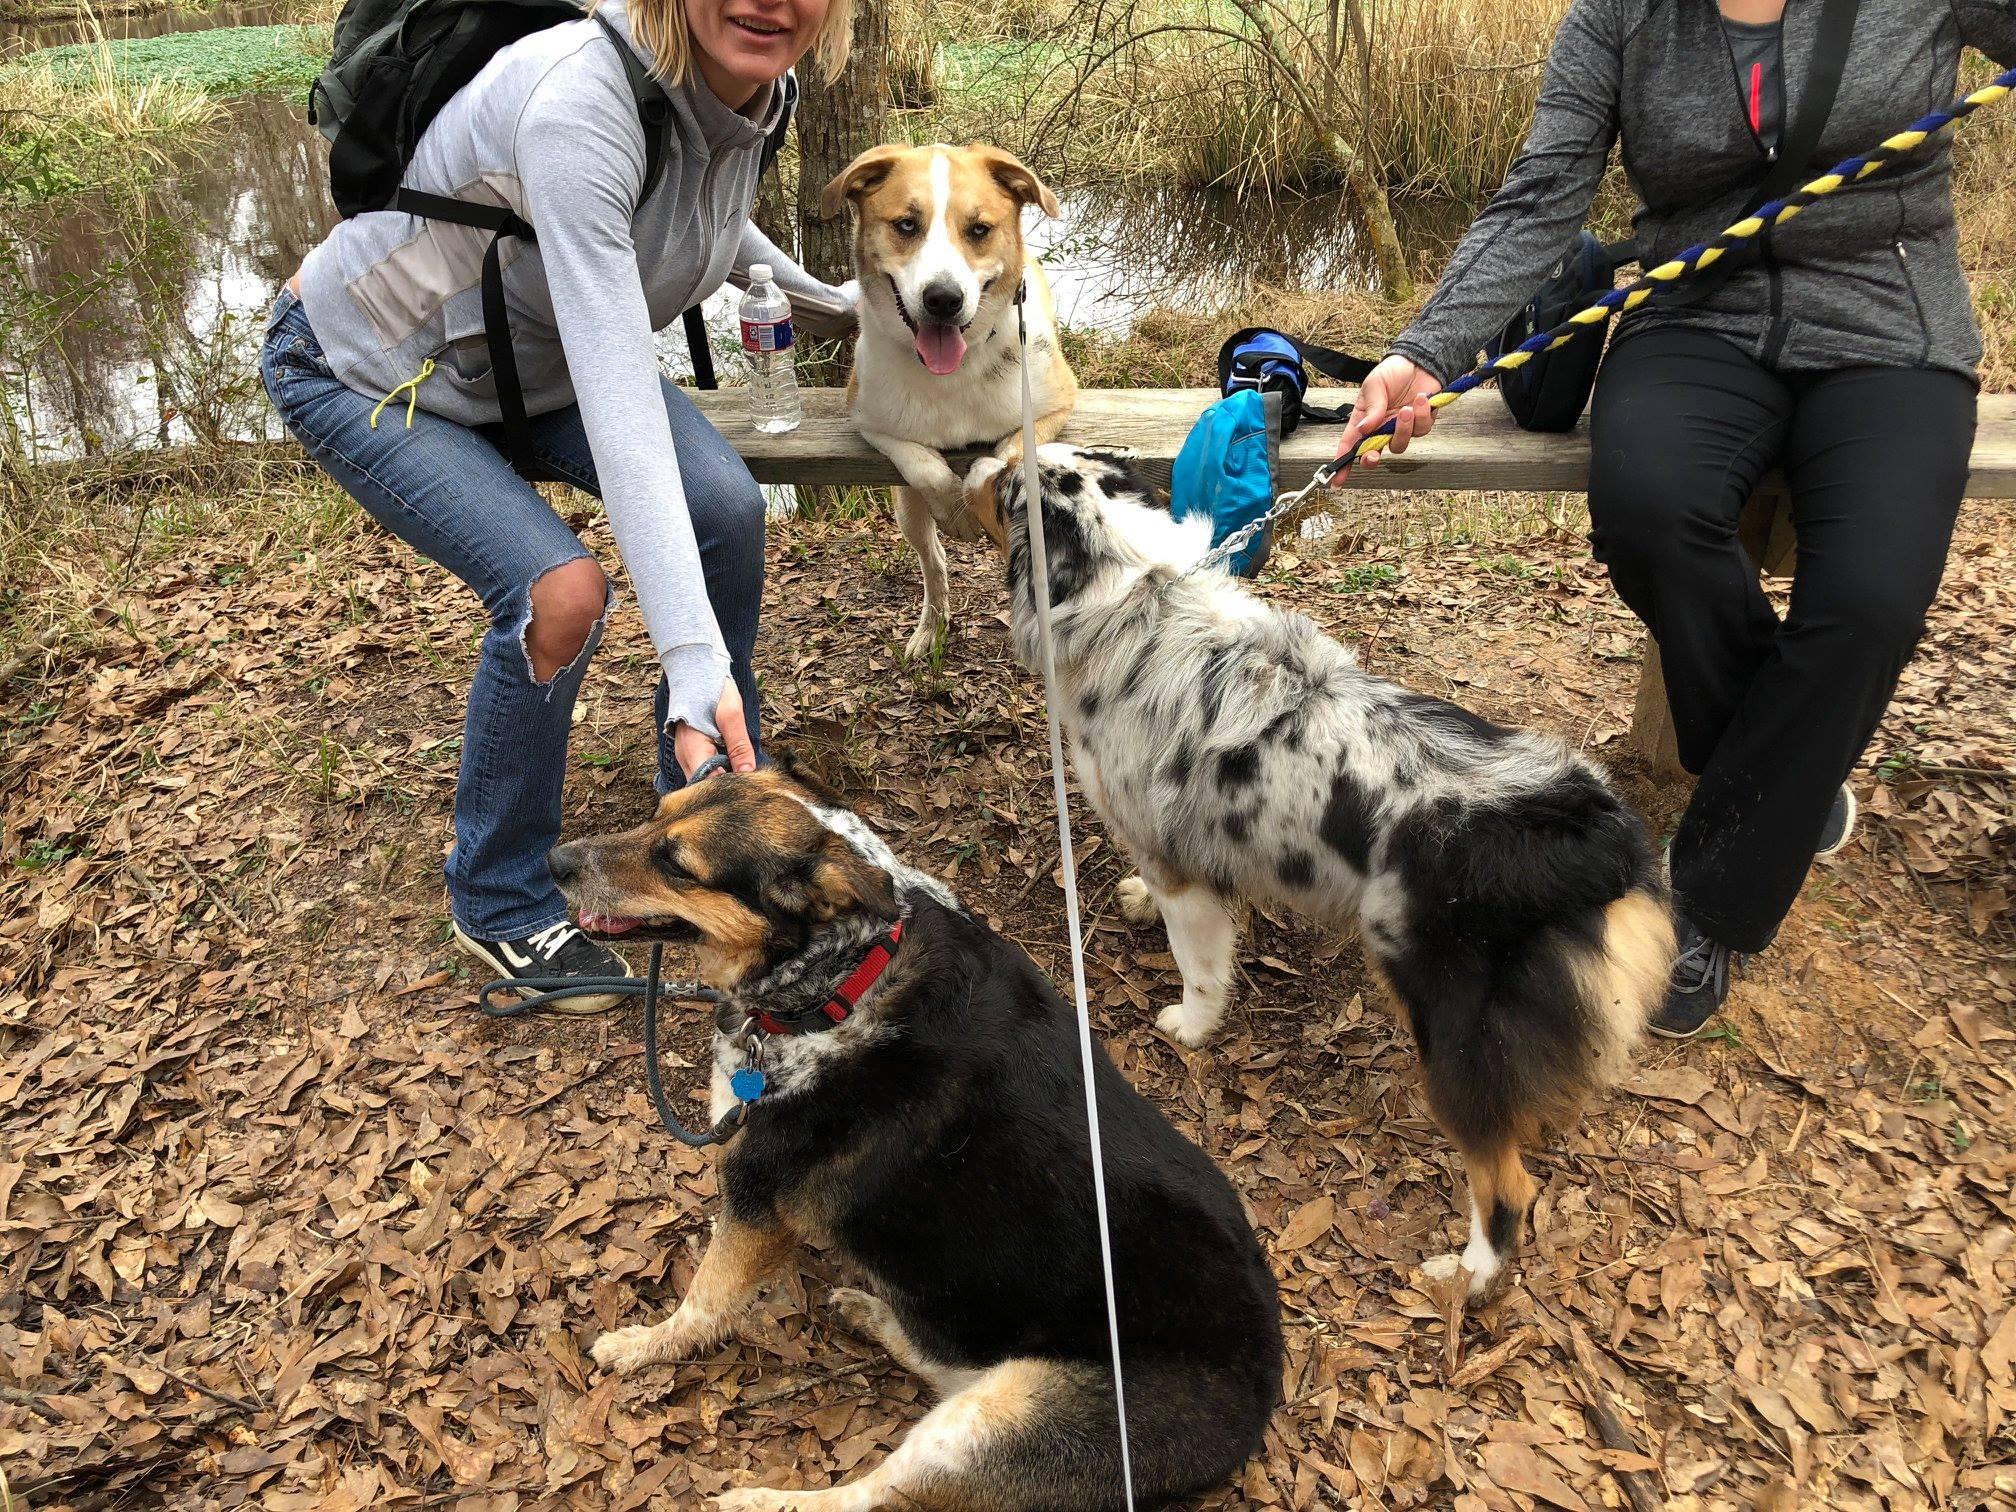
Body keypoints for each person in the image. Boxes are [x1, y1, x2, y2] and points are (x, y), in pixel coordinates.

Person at [1337, 0, 2015, 1037]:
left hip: (1891, 319)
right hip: (1697, 314)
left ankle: (1715, 897)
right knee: (1651, 511)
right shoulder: (1619, 17)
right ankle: (1785, 770)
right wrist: (1425, 350)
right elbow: (1543, 195)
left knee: (1873, 599)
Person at [260, 0, 858, 1002]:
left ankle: (708, 809)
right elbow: (620, 388)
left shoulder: (757, 81)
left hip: (524, 364)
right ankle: (497, 899)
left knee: (725, 507)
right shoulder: (578, 102)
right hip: (368, 366)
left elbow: (714, 220)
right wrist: (689, 654)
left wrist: (848, 301)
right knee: (560, 592)